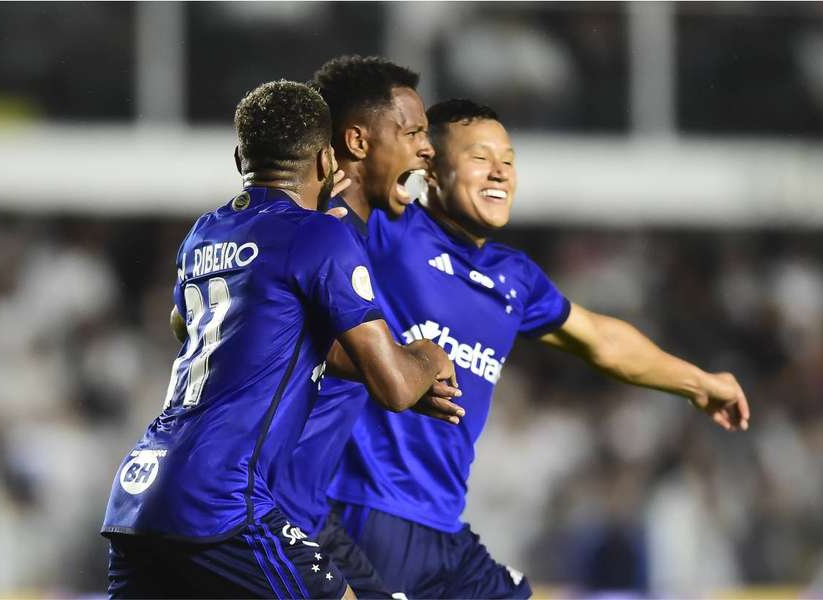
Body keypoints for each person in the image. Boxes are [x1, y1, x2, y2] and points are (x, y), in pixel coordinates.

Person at [326, 98, 751, 599]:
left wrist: (699, 383)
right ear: (432, 170)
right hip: (366, 511)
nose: (500, 172)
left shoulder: (514, 277)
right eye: (480, 157)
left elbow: (600, 341)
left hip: (443, 528)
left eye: (508, 160)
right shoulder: (388, 231)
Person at [100, 79, 458, 599]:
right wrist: (427, 355)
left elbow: (193, 331)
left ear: (240, 155)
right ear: (324, 161)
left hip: (139, 494)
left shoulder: (204, 233)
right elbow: (396, 388)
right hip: (222, 499)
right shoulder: (319, 234)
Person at [283, 55, 464, 599]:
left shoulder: (347, 231)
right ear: (358, 142)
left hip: (311, 509)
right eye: (411, 132)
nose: (426, 148)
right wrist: (418, 359)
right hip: (270, 513)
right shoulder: (319, 231)